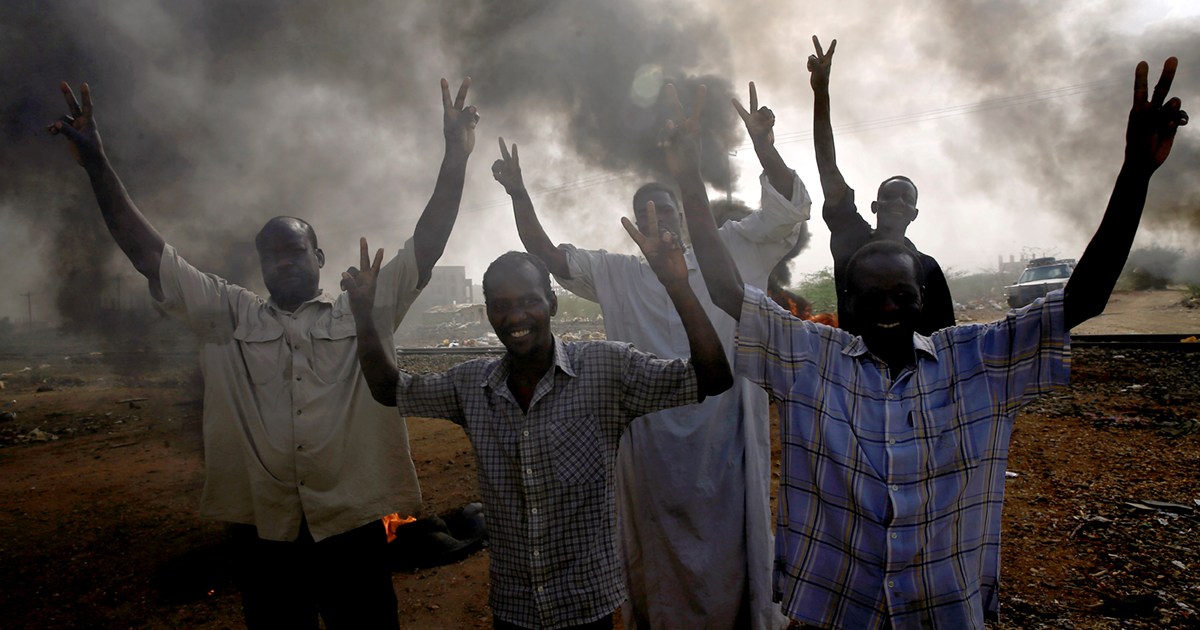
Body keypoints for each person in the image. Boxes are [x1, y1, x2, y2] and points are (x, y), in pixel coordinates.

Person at [664, 57, 1187, 628]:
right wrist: (691, 172)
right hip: (835, 605)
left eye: (902, 294)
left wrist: (1136, 172)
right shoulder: (813, 357)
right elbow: (724, 284)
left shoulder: (971, 361)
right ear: (848, 301)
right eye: (870, 296)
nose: (888, 306)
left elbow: (1081, 300)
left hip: (941, 608)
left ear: (922, 293)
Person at [49, 77, 480, 629]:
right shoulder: (226, 315)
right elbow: (147, 253)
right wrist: (96, 163)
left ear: (319, 256)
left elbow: (429, 240)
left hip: (350, 526)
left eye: (295, 250)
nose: (283, 262)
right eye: (271, 256)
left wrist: (454, 156)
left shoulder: (363, 309)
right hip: (265, 531)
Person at [491, 82, 810, 629]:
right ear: (633, 224)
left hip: (727, 432)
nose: (657, 217)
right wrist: (519, 193)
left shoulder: (730, 245)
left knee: (735, 546)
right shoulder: (618, 273)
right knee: (657, 557)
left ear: (685, 214)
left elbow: (789, 212)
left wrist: (764, 148)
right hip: (651, 445)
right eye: (644, 211)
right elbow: (546, 254)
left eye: (665, 207)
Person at [343, 201, 734, 630]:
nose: (515, 317)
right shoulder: (471, 385)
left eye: (529, 301)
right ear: (488, 310)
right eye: (501, 305)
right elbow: (387, 389)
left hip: (587, 603)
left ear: (552, 303)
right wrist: (364, 315)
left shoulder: (607, 368)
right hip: (514, 607)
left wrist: (677, 285)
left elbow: (711, 377)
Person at [808, 36, 956, 336]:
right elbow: (828, 168)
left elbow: (944, 339)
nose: (898, 203)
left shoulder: (927, 269)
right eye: (890, 196)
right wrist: (821, 92)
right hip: (857, 373)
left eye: (906, 199)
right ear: (875, 206)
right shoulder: (852, 241)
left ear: (914, 213)